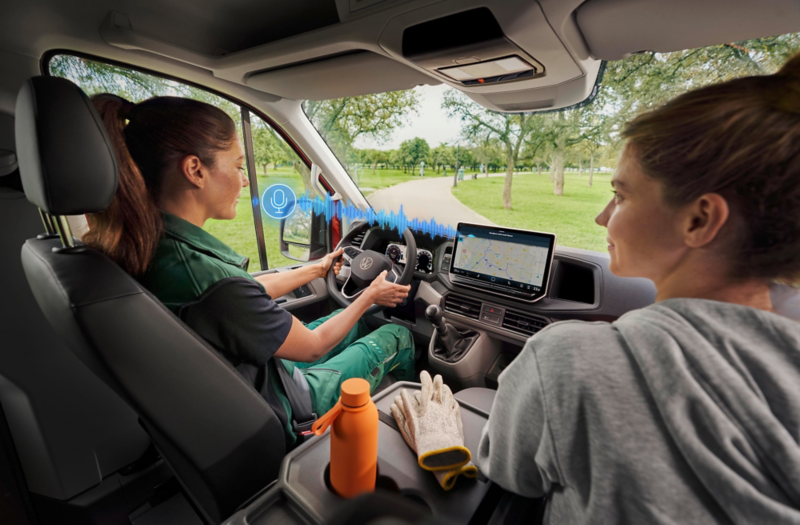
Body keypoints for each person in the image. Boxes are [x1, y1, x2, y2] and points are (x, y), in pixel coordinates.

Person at [476, 55, 800, 523]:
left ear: (700, 219)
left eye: (622, 196)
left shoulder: (565, 360)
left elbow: (507, 472)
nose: (602, 217)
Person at [84, 94, 416, 447]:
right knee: (396, 337)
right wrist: (369, 296)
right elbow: (314, 346)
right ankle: (409, 430)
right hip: (286, 405)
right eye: (239, 166)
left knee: (357, 325)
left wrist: (317, 270)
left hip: (243, 385)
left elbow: (245, 292)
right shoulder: (207, 279)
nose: (244, 181)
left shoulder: (154, 247)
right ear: (195, 170)